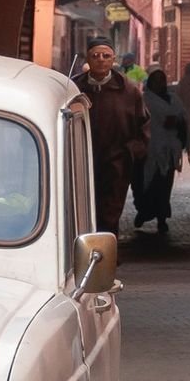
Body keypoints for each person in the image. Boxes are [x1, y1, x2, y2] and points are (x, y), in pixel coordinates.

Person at [74, 39, 150, 236]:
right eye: (95, 56)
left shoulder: (128, 91)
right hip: (80, 162)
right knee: (81, 210)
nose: (101, 60)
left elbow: (144, 126)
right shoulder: (73, 89)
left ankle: (106, 257)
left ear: (113, 60)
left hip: (115, 163)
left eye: (106, 56)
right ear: (87, 59)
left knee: (110, 213)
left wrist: (131, 153)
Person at [133, 69, 190, 234]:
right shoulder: (144, 101)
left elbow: (182, 120)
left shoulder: (173, 100)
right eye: (155, 80)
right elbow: (137, 121)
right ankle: (143, 212)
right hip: (147, 152)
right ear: (150, 83)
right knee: (143, 184)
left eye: (161, 80)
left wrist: (176, 125)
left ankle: (162, 218)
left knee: (163, 187)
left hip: (167, 152)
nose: (158, 84)